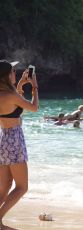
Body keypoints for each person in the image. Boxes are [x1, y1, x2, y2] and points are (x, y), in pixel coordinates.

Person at [0, 60, 39, 229]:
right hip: (15, 140)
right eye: (13, 71)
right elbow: (34, 108)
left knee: (5, 185)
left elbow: (14, 101)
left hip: (4, 139)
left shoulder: (5, 93)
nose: (15, 74)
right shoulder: (10, 95)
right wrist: (35, 87)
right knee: (22, 187)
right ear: (6, 75)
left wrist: (22, 83)